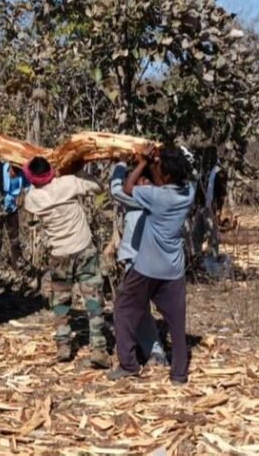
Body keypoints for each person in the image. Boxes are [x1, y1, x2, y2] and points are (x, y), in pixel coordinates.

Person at [109, 146, 195, 384]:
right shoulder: (188, 192)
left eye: (158, 168)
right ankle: (179, 374)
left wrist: (140, 163)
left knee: (123, 309)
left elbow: (127, 188)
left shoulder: (155, 196)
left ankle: (128, 365)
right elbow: (175, 177)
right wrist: (155, 161)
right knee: (177, 324)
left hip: (146, 267)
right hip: (173, 269)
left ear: (165, 176)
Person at [22, 156, 112, 368]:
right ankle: (99, 348)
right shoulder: (68, 183)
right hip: (84, 250)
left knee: (60, 303)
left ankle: (63, 345)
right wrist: (78, 172)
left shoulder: (32, 198)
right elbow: (98, 188)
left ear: (33, 178)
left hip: (59, 255)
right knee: (93, 300)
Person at [110, 161, 168, 367]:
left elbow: (116, 190)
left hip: (141, 262)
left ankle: (151, 352)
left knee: (133, 307)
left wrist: (119, 164)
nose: (138, 184)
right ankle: (152, 350)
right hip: (145, 260)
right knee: (140, 307)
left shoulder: (143, 200)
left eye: (143, 180)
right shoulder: (157, 198)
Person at [0, 162, 29, 278]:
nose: (14, 174)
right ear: (9, 168)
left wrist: (26, 198)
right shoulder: (0, 169)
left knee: (15, 238)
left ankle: (18, 264)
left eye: (16, 172)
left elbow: (28, 187)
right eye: (13, 171)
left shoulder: (21, 174)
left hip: (12, 208)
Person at [191, 147, 228, 260]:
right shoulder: (202, 171)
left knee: (212, 236)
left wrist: (218, 210)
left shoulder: (220, 172)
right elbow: (198, 188)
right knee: (196, 234)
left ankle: (213, 259)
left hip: (211, 208)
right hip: (200, 207)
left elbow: (221, 194)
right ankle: (196, 259)